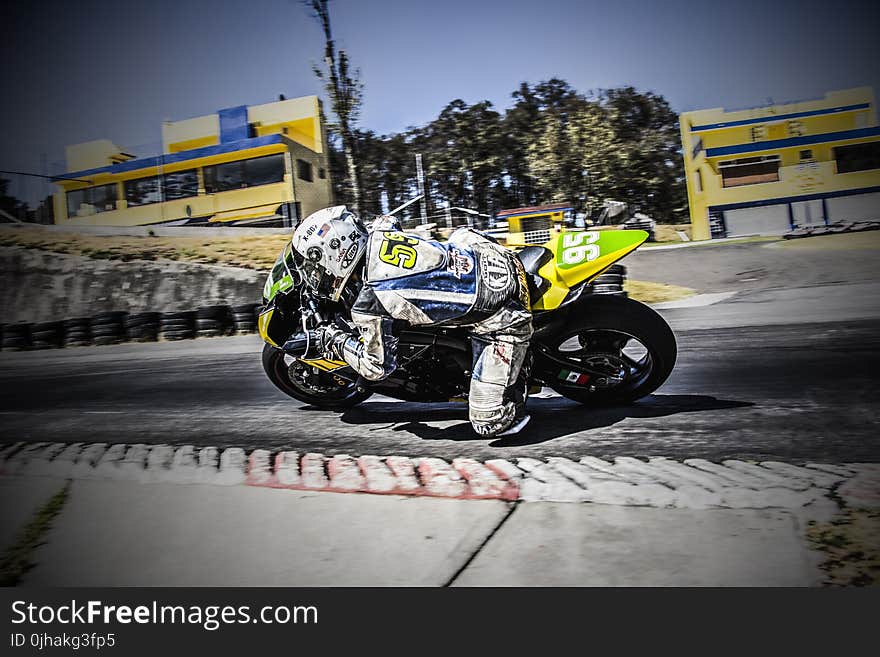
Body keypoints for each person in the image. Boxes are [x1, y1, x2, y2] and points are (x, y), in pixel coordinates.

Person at [290, 205, 533, 437]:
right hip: (493, 255)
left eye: (315, 264)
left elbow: (376, 367)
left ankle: (522, 370)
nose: (315, 273)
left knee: (488, 422)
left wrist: (334, 338)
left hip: (506, 314)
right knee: (459, 235)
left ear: (336, 253)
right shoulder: (379, 233)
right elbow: (388, 220)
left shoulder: (371, 302)